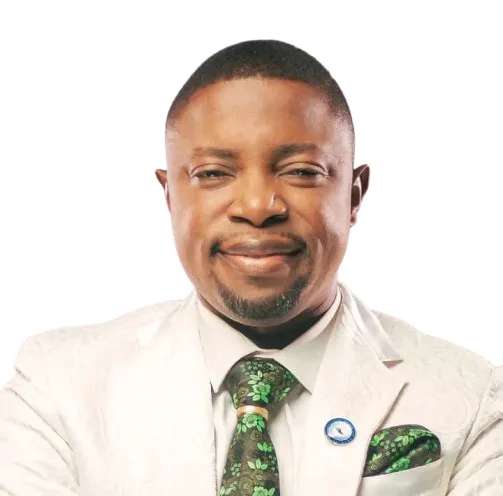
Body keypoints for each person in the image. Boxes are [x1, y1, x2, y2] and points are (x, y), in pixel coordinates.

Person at [0, 39, 501, 496]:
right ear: (170, 197)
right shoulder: (56, 388)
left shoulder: (474, 398)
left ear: (353, 195)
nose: (258, 206)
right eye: (213, 173)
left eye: (301, 171)